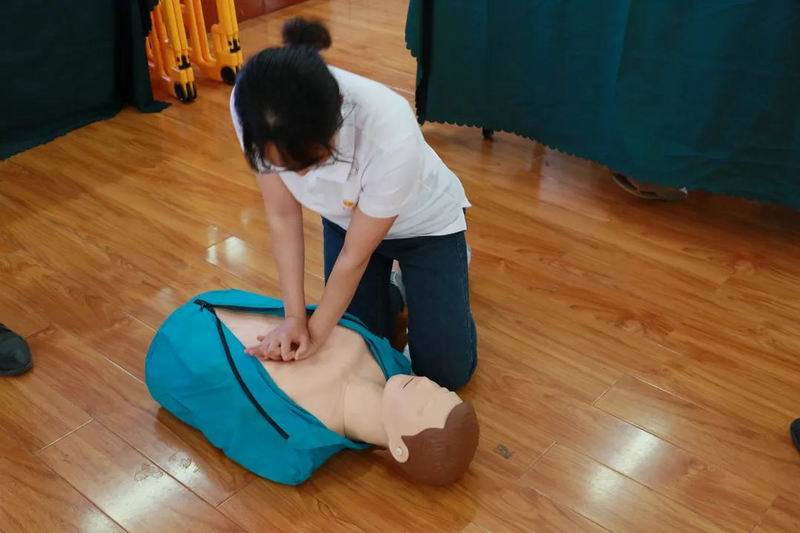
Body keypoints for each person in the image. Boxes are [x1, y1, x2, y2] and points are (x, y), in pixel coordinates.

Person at [229, 18, 477, 390]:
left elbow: (353, 258)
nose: (299, 178)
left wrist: (315, 335)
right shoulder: (254, 105)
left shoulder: (390, 127)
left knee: (444, 373)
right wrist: (294, 319)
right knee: (359, 341)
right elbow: (282, 216)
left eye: (309, 163)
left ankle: (445, 270)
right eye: (285, 167)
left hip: (424, 228)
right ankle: (399, 285)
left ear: (336, 119)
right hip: (346, 223)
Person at [145, 289, 480, 485]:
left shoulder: (294, 452)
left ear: (401, 449)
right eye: (438, 389)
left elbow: (225, 419)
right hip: (221, 301)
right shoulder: (393, 365)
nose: (425, 384)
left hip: (176, 349)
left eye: (425, 405)